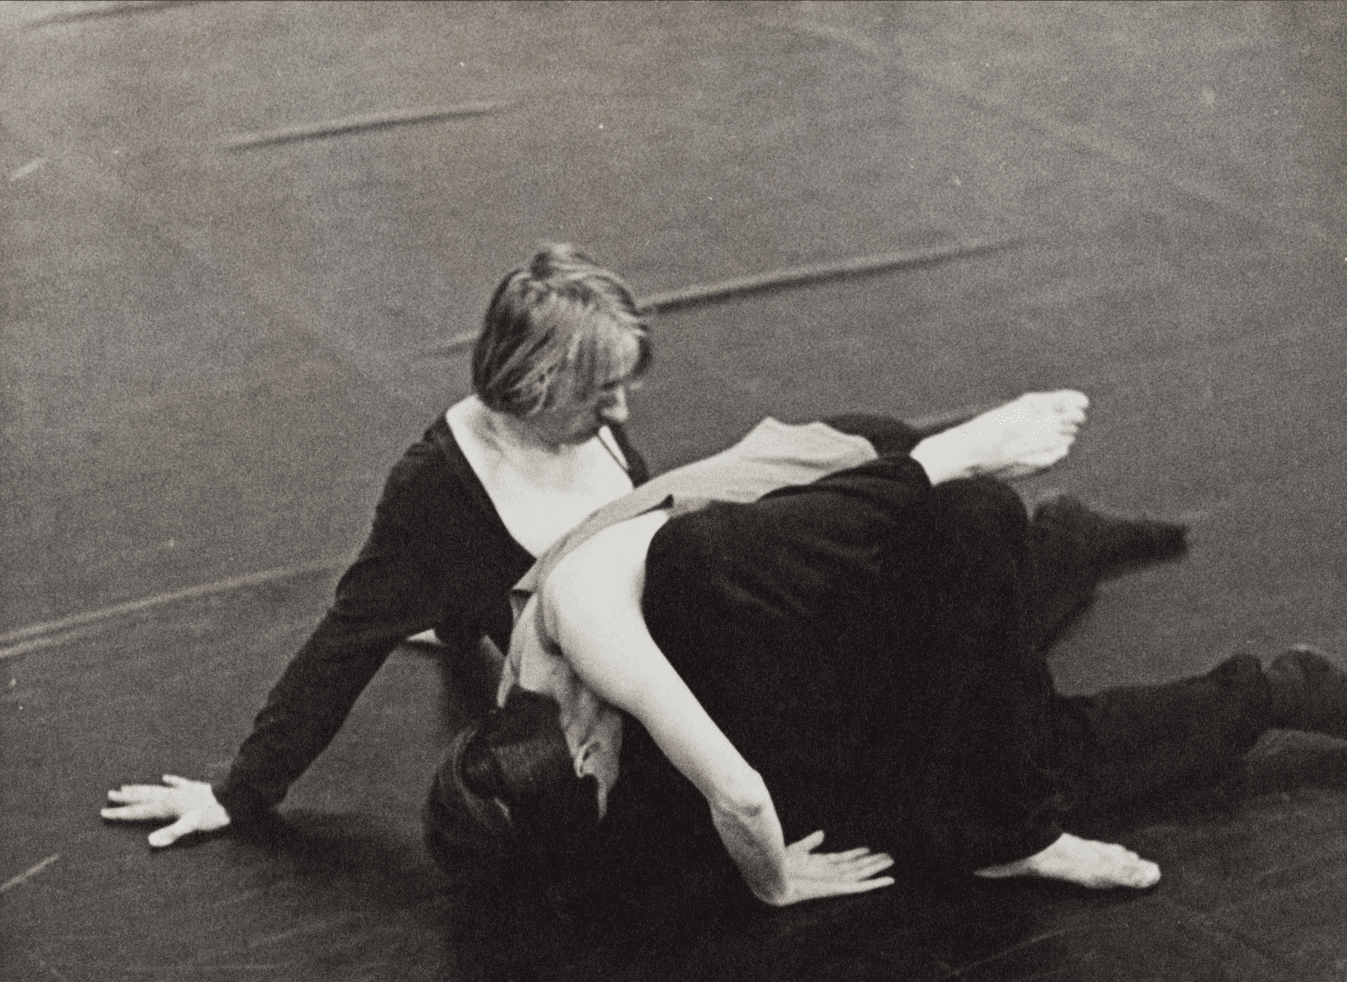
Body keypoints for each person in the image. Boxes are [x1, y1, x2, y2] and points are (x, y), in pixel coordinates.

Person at [100, 244, 985, 847]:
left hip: (687, 618)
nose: (622, 418)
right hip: (651, 685)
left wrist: (454, 624)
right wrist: (238, 794)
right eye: (602, 396)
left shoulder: (577, 425)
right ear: (533, 384)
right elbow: (344, 643)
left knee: (890, 476)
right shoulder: (436, 491)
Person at [423, 395, 1347, 906]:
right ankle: (1069, 541)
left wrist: (781, 880)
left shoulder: (606, 614)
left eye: (591, 756)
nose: (599, 762)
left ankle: (1272, 690)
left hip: (873, 501)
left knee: (1015, 764)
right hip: (842, 542)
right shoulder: (555, 746)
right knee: (959, 725)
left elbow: (737, 792)